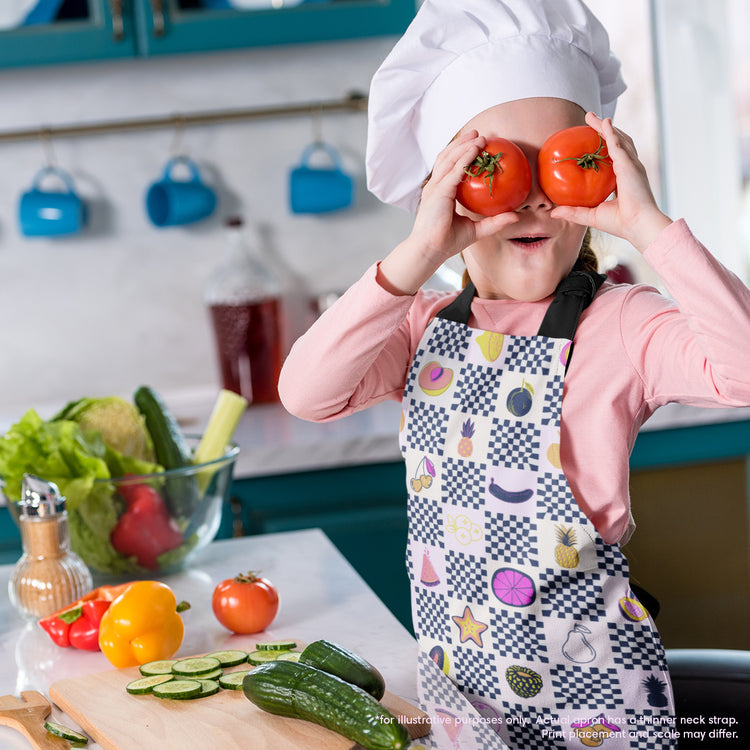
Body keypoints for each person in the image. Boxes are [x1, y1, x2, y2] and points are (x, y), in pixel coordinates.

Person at [278, 0, 750, 747]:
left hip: (598, 711)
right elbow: (306, 393)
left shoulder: (621, 323)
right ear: (447, 189)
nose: (530, 194)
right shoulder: (419, 323)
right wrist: (417, 255)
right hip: (463, 708)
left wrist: (650, 227)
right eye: (497, 167)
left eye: (560, 165)